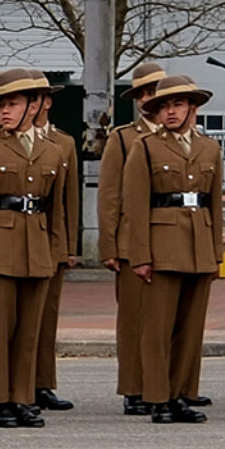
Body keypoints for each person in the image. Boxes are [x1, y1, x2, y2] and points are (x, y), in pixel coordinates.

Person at [0, 69, 69, 429]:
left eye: (12, 104)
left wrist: (56, 251)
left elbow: (56, 209)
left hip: (35, 244)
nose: (4, 111)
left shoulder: (52, 150)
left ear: (32, 106)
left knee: (28, 329)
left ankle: (22, 397)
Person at [119, 74, 223, 425]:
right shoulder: (145, 147)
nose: (170, 112)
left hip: (198, 244)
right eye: (163, 106)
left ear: (193, 107)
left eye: (177, 104)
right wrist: (141, 256)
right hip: (161, 245)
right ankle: (158, 397)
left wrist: (216, 253)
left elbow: (215, 201)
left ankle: (180, 394)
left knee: (189, 329)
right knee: (158, 328)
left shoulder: (209, 148)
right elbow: (135, 206)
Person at [96, 61, 166, 416]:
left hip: (170, 239)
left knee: (167, 319)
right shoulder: (123, 138)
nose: (148, 99)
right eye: (142, 93)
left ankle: (168, 386)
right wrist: (109, 244)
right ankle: (134, 387)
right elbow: (110, 195)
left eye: (153, 91)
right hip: (129, 240)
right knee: (135, 318)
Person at [26, 70, 79, 413]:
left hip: (49, 237)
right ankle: (11, 387)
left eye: (38, 98)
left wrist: (69, 246)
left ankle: (42, 382)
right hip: (15, 238)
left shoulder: (63, 142)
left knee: (46, 317)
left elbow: (68, 199)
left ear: (46, 102)